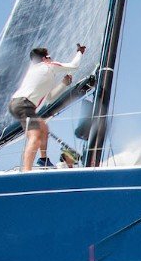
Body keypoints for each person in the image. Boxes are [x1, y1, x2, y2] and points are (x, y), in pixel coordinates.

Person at [9, 43, 85, 171]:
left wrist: (63, 83)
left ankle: (43, 159)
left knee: (43, 127)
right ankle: (26, 172)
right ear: (45, 58)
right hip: (24, 104)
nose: (51, 58)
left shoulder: (38, 72)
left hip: (20, 104)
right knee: (35, 137)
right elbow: (74, 66)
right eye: (49, 56)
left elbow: (49, 97)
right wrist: (80, 52)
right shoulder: (47, 66)